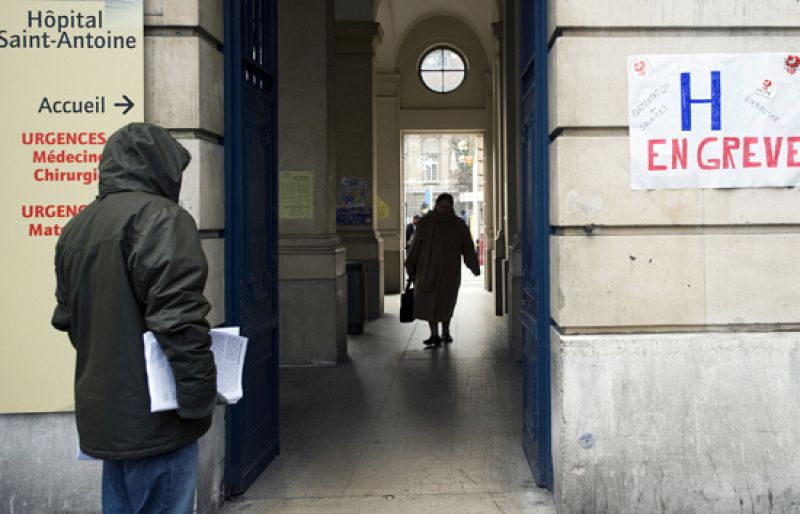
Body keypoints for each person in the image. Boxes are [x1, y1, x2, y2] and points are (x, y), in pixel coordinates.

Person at [51, 123, 217, 514]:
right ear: (162, 166)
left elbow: (68, 319)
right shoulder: (161, 218)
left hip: (106, 413)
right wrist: (199, 398)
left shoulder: (79, 225)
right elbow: (178, 320)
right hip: (157, 416)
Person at [405, 193, 480, 347]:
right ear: (436, 205)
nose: (444, 210)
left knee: (447, 302)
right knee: (429, 301)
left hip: (449, 273)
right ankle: (434, 334)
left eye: (447, 207)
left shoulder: (458, 225)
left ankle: (446, 331)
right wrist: (410, 263)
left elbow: (468, 248)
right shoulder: (425, 223)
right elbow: (416, 245)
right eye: (441, 207)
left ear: (451, 207)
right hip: (427, 271)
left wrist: (474, 266)